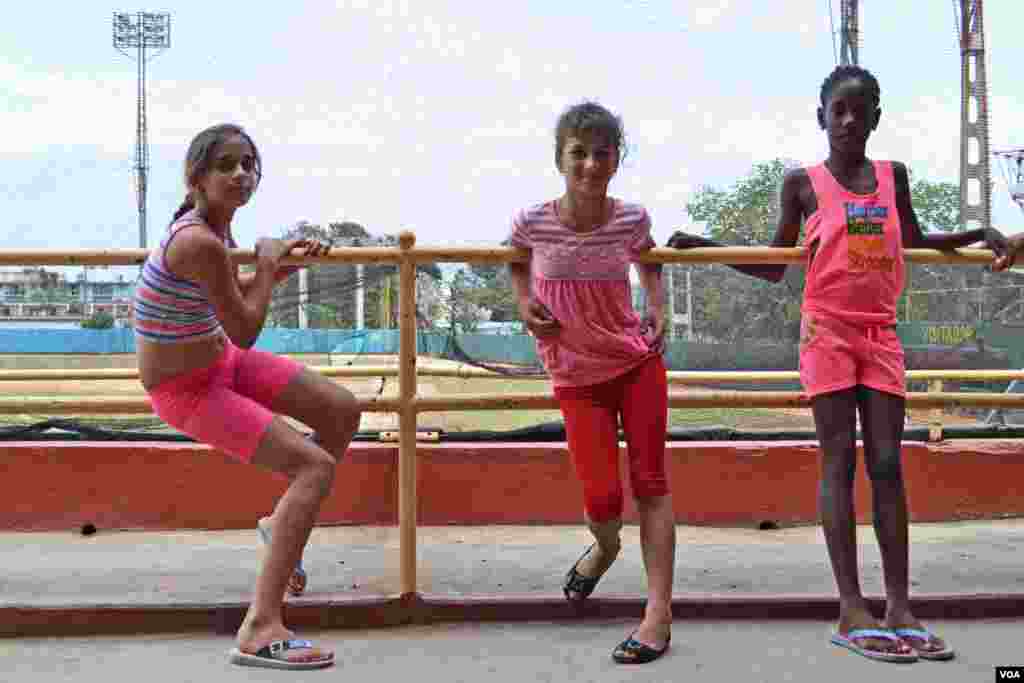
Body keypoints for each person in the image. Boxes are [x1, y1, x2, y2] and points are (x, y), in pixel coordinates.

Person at [667, 65, 1009, 663]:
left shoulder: (890, 176)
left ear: (877, 117)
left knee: (887, 464)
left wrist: (981, 233)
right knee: (839, 463)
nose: (850, 120)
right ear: (821, 116)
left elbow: (919, 239)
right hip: (826, 333)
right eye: (838, 110)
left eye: (862, 109)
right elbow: (777, 264)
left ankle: (900, 606)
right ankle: (852, 606)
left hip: (879, 335)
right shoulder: (802, 183)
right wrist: (705, 247)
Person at [133, 123, 362, 670]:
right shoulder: (198, 241)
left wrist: (280, 268)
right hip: (186, 389)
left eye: (249, 164)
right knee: (314, 469)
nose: (241, 174)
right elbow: (246, 327)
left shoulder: (214, 231)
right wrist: (266, 263)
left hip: (221, 363)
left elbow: (231, 308)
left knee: (342, 410)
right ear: (196, 178)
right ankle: (260, 625)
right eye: (226, 165)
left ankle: (280, 525)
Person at [507, 101, 674, 664]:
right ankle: (604, 549)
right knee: (602, 500)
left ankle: (658, 615)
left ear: (615, 159)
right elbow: (516, 261)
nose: (590, 165)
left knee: (650, 484)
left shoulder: (630, 218)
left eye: (602, 153)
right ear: (560, 158)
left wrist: (657, 306)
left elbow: (648, 261)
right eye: (578, 153)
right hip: (576, 376)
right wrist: (524, 302)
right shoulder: (534, 220)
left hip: (635, 363)